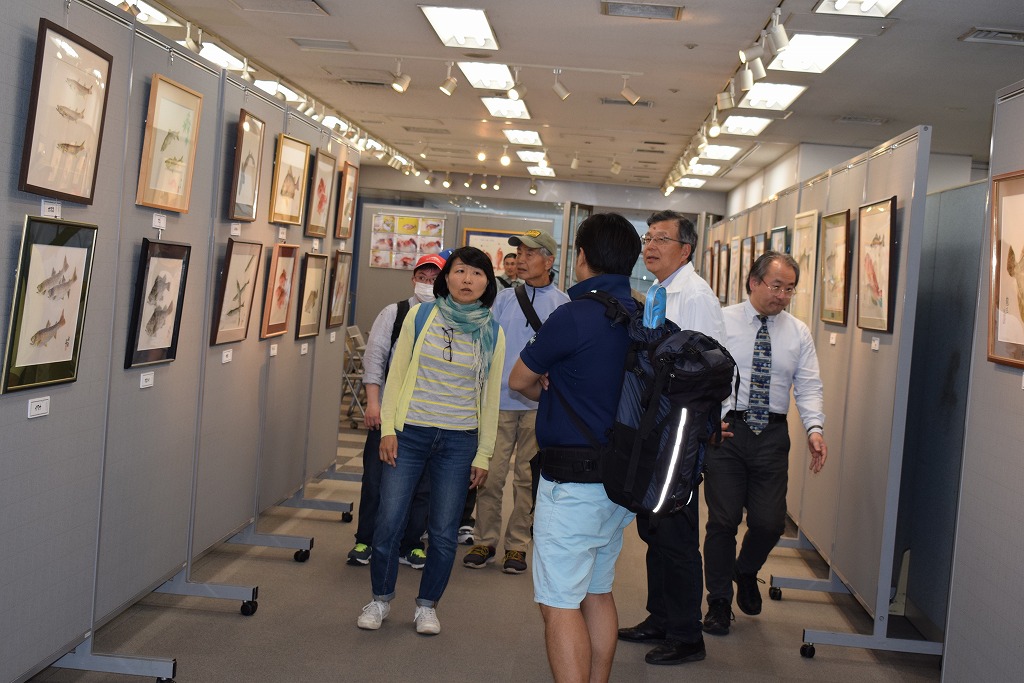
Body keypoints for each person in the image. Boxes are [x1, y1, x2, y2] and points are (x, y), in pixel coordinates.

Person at [508, 213, 642, 683]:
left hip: (572, 483)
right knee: (597, 592)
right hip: (621, 480)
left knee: (559, 602)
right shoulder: (644, 316)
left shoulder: (573, 315)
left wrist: (548, 386)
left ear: (581, 257)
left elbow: (519, 380)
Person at [357, 246, 506, 636]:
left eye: (477, 273)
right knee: (389, 521)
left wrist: (484, 453)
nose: (467, 279)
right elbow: (396, 374)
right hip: (410, 434)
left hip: (459, 441)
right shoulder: (421, 316)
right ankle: (380, 599)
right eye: (460, 271)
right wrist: (388, 430)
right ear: (447, 277)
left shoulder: (493, 332)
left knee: (442, 531)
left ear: (488, 283)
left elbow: (491, 398)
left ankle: (427, 606)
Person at [618, 211, 725, 665]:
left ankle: (686, 635)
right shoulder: (660, 290)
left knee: (676, 529)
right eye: (648, 238)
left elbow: (713, 364)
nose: (650, 246)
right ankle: (659, 618)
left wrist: (710, 423)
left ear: (686, 249)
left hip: (681, 425)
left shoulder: (695, 295)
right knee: (654, 523)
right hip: (659, 421)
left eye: (662, 239)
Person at [701, 251, 828, 636]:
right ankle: (719, 602)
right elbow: (702, 375)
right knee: (723, 521)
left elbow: (808, 385)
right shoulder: (721, 322)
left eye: (790, 289)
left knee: (769, 522)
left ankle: (746, 570)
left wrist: (815, 428)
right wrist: (708, 420)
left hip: (772, 435)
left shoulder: (798, 332)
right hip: (728, 431)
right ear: (754, 282)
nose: (782, 296)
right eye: (776, 286)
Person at [463, 229, 569, 574]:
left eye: (529, 254)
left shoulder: (563, 303)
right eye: (519, 253)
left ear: (549, 261)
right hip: (499, 403)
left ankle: (517, 545)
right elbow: (485, 344)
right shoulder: (504, 299)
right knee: (490, 476)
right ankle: (484, 540)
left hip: (539, 406)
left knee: (526, 479)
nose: (521, 260)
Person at [346, 254, 444, 570]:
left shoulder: (448, 318)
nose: (427, 284)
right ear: (413, 279)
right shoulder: (394, 313)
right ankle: (365, 540)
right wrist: (373, 403)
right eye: (422, 277)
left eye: (434, 279)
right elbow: (374, 360)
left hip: (428, 415)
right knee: (376, 480)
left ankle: (411, 544)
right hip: (389, 411)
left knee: (423, 485)